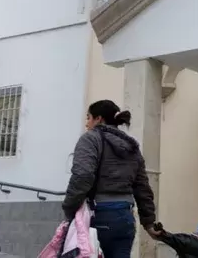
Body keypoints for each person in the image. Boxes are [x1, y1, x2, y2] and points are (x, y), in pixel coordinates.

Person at [62, 99, 156, 258]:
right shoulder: (132, 146)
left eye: (88, 117)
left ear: (98, 119)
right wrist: (149, 222)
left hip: (99, 214)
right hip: (125, 217)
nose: (86, 123)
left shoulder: (90, 139)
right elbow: (142, 186)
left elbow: (83, 176)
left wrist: (69, 209)